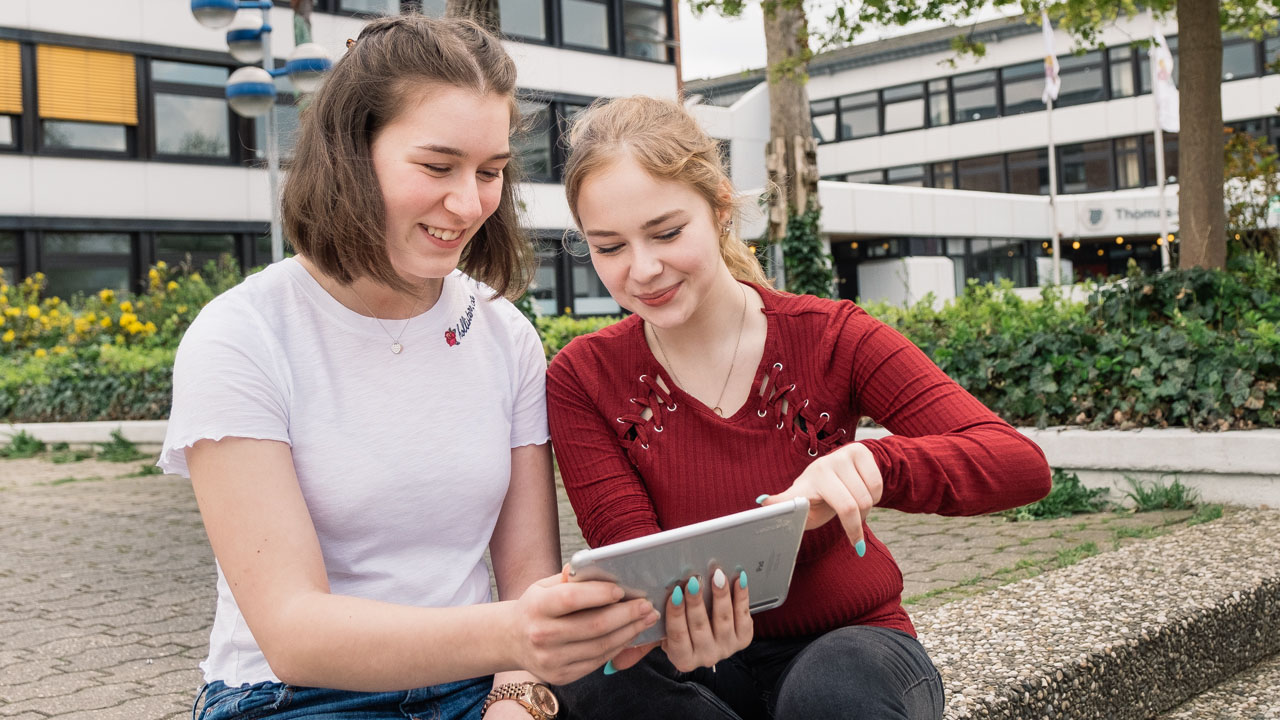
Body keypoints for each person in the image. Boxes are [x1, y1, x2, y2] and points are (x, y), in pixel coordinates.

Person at [159, 17, 657, 720]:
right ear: (350, 153)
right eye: (436, 166)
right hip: (291, 698)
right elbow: (295, 632)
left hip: (478, 685)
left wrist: (518, 694)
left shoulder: (503, 334)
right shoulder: (242, 336)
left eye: (490, 172)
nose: (468, 204)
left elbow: (525, 577)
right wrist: (516, 631)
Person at [545, 96, 1053, 720]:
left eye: (667, 232)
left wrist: (874, 464)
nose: (643, 269)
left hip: (849, 648)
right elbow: (633, 558)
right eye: (609, 247)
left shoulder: (831, 336)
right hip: (694, 667)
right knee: (586, 684)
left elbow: (1019, 464)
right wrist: (662, 624)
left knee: (827, 693)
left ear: (721, 210)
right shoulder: (580, 378)